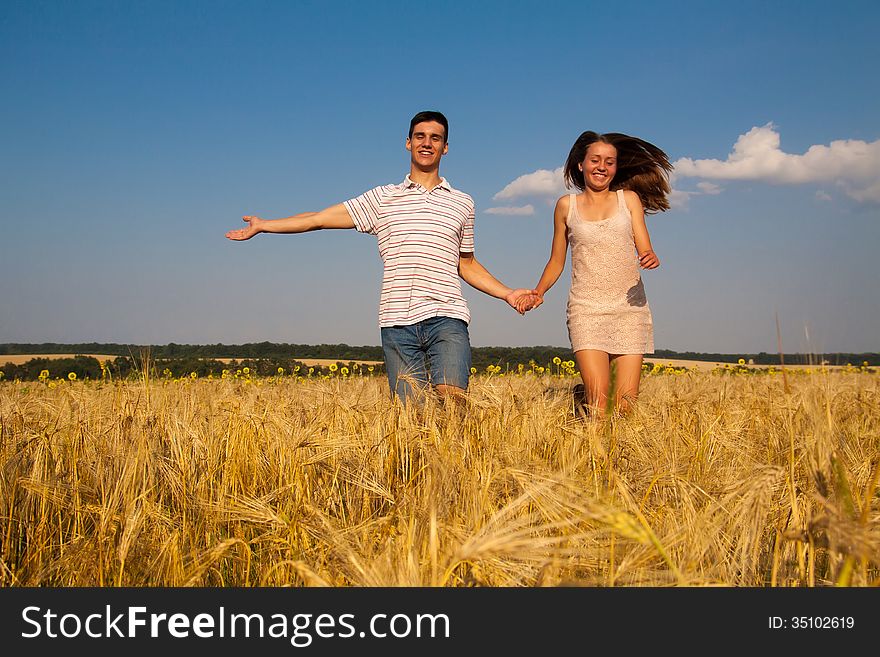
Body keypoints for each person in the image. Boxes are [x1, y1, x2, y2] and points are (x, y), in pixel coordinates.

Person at [225, 110, 535, 402]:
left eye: (435, 138)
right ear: (408, 142)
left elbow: (466, 263)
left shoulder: (463, 203)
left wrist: (507, 293)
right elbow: (317, 218)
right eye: (420, 136)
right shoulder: (383, 198)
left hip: (447, 315)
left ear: (446, 148)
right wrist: (265, 225)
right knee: (411, 417)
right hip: (396, 320)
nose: (427, 143)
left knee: (453, 400)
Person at [518, 131, 672, 416]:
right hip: (586, 309)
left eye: (609, 162)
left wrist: (650, 256)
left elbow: (644, 247)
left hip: (629, 309)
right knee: (600, 405)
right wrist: (538, 291)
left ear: (616, 168)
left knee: (625, 408)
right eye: (595, 160)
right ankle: (588, 414)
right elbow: (556, 261)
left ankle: (608, 445)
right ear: (581, 164)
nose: (602, 167)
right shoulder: (567, 206)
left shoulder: (630, 200)